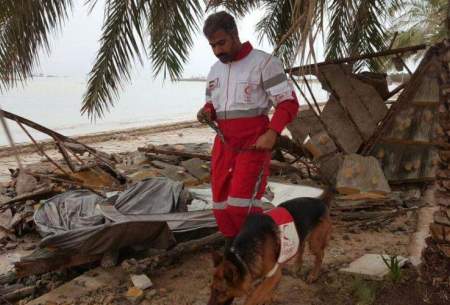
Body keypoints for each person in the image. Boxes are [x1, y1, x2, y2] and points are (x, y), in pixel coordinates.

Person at [197, 11, 299, 245]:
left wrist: (272, 133)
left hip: (253, 143)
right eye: (212, 45)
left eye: (221, 43)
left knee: (241, 205)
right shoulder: (214, 70)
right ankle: (235, 251)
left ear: (235, 34)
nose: (217, 50)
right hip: (223, 145)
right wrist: (206, 112)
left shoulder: (264, 63)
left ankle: (261, 247)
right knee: (221, 207)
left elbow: (288, 103)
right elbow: (211, 103)